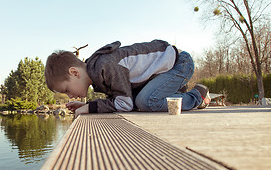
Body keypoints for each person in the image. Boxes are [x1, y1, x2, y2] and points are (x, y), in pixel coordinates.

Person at [45, 40, 211, 117]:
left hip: (179, 64)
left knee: (146, 102)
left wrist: (91, 109)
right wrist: (88, 105)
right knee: (141, 101)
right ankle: (175, 92)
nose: (70, 96)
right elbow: (120, 97)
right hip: (164, 73)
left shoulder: (106, 66)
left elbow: (125, 104)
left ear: (74, 73)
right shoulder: (98, 73)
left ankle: (197, 95)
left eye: (67, 90)